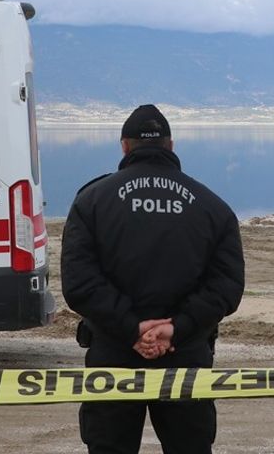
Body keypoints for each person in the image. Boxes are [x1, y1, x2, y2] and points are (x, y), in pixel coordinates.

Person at [61, 104, 246, 454]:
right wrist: (177, 328)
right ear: (171, 147)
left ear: (124, 147)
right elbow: (226, 286)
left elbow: (80, 284)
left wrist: (132, 329)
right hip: (187, 353)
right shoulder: (213, 207)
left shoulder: (92, 202)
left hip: (112, 355)